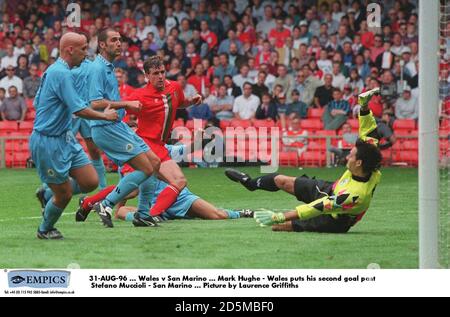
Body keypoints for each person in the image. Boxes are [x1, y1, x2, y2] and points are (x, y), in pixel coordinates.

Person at [225, 88, 383, 233]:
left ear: (359, 163)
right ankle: (250, 183)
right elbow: (369, 134)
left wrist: (281, 217)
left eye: (351, 155)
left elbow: (320, 206)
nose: (347, 156)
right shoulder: (368, 163)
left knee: (278, 227)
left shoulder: (355, 194)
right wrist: (363, 108)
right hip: (330, 189)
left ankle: (277, 221)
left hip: (333, 221)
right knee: (281, 180)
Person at [30, 32, 118, 239]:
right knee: (65, 195)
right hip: (48, 141)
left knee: (90, 181)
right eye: (83, 48)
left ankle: (47, 193)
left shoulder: (57, 70)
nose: (86, 53)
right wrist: (104, 116)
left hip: (65, 137)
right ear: (70, 49)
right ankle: (45, 229)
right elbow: (79, 109)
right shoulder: (60, 73)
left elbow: (36, 102)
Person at [85, 28, 161, 228]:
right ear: (102, 45)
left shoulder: (108, 67)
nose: (119, 43)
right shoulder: (97, 68)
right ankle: (106, 204)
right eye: (114, 40)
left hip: (116, 125)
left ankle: (143, 214)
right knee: (145, 168)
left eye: (120, 40)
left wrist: (123, 113)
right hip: (105, 127)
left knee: (154, 162)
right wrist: (126, 104)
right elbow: (95, 103)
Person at [116, 55, 202, 225]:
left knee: (135, 188)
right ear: (147, 76)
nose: (161, 76)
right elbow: (121, 115)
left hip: (160, 146)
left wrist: (191, 101)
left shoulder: (175, 88)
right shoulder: (139, 95)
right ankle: (149, 215)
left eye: (162, 72)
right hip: (146, 144)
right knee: (176, 181)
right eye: (155, 73)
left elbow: (181, 102)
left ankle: (97, 203)